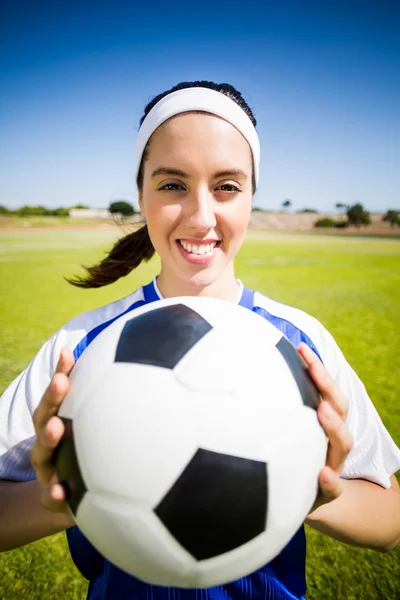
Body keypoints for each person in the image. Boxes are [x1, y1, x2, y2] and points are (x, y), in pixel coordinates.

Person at [0, 80, 399, 600]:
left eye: (227, 186)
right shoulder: (80, 347)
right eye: (172, 185)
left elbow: (389, 521)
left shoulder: (299, 344)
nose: (201, 215)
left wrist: (318, 492)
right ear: (141, 192)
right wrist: (58, 498)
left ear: (252, 195)